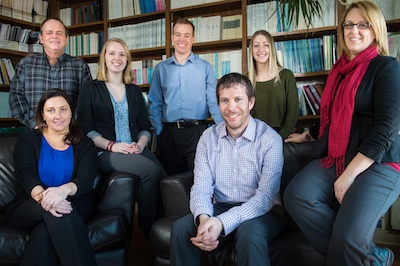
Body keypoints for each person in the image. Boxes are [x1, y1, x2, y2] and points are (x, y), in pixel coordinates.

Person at [283, 1, 400, 265]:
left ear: (375, 29)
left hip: (379, 163)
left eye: (362, 24)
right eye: (349, 24)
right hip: (340, 156)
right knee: (296, 195)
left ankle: (354, 247)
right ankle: (371, 256)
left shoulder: (387, 67)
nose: (354, 30)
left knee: (348, 239)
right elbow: (336, 120)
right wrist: (309, 135)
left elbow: (386, 129)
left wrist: (348, 175)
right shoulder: (339, 72)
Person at [170, 73, 285, 266]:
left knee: (250, 233)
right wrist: (205, 220)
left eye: (238, 99)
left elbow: (265, 197)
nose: (231, 107)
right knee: (181, 229)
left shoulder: (270, 139)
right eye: (225, 100)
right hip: (220, 205)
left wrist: (222, 222)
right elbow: (201, 187)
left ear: (251, 102)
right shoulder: (208, 138)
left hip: (264, 211)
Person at [77, 38, 166, 239]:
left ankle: (167, 228)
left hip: (134, 149)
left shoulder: (134, 91)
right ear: (104, 58)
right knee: (150, 170)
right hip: (103, 152)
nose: (117, 58)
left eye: (121, 54)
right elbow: (85, 129)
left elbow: (145, 127)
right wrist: (112, 145)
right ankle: (149, 230)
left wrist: (140, 145)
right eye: (112, 53)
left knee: (165, 177)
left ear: (127, 60)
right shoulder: (90, 88)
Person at [4, 89, 98, 266]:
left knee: (45, 232)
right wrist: (46, 198)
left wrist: (62, 191)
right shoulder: (29, 139)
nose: (58, 116)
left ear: (72, 112)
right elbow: (25, 174)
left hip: (75, 201)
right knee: (61, 212)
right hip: (31, 203)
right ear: (42, 114)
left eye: (63, 109)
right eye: (51, 110)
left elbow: (86, 178)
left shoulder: (85, 144)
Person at [148, 17, 223, 175]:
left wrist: (224, 128)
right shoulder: (161, 69)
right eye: (178, 34)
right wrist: (160, 131)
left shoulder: (205, 68)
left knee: (200, 180)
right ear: (172, 38)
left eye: (187, 35)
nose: (182, 39)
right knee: (172, 184)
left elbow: (213, 102)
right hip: (169, 134)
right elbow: (154, 103)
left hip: (199, 133)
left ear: (193, 39)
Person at [9, 17, 92, 129]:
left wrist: (67, 123)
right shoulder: (26, 64)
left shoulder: (80, 66)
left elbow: (87, 101)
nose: (54, 36)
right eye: (49, 33)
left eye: (59, 33)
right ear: (41, 38)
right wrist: (36, 123)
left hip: (70, 133)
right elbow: (15, 97)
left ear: (66, 39)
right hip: (35, 133)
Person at [248, 30, 298, 139]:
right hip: (254, 140)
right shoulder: (246, 81)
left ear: (272, 49)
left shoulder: (286, 76)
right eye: (256, 45)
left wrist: (279, 139)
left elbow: (292, 112)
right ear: (251, 50)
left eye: (266, 45)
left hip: (281, 137)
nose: (261, 50)